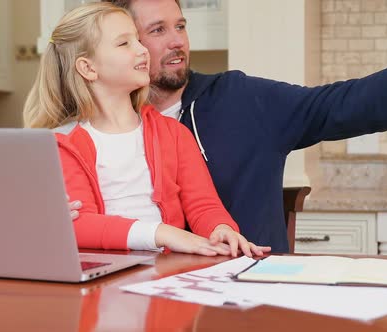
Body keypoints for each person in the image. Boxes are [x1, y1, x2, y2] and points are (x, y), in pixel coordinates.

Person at [70, 0, 387, 253]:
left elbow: (352, 103)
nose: (176, 42)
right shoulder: (78, 140)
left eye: (181, 26)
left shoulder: (243, 100)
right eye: (155, 30)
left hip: (248, 302)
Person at [23, 2, 270, 257]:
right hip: (105, 277)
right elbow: (79, 224)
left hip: (168, 273)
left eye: (138, 40)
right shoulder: (63, 143)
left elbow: (204, 206)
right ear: (88, 68)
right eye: (124, 43)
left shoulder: (174, 134)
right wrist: (163, 233)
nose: (142, 50)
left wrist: (221, 228)